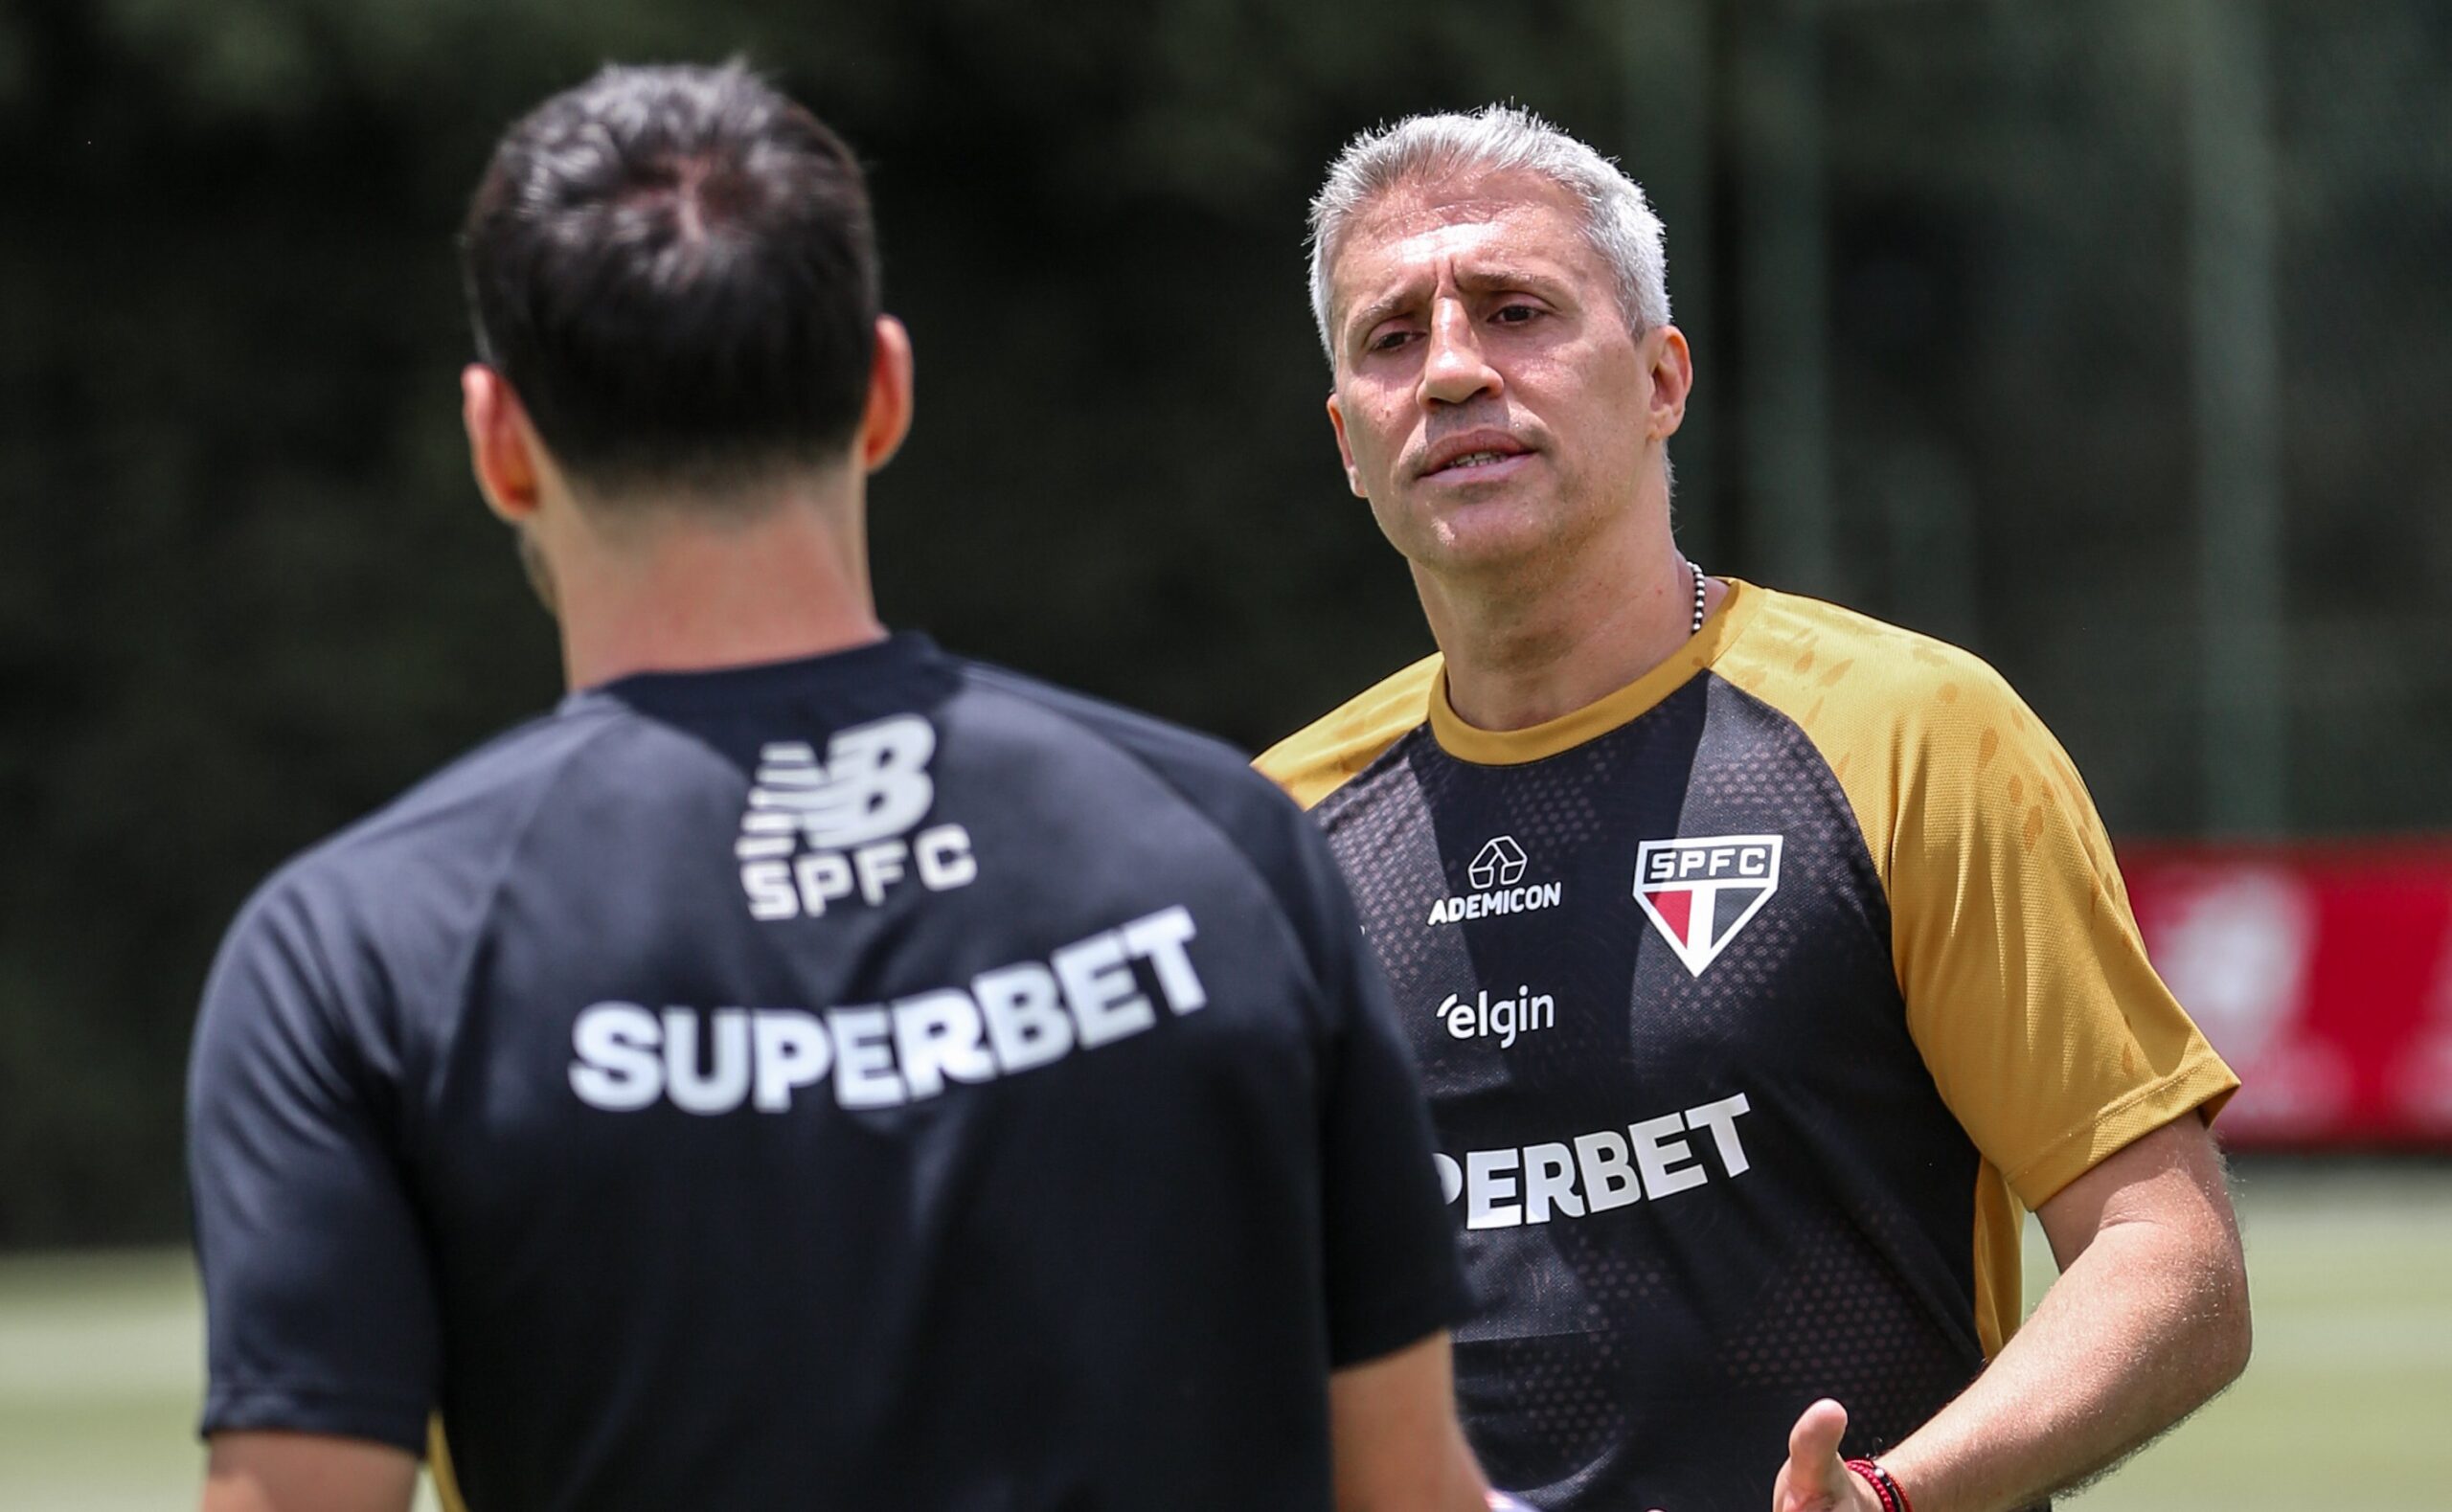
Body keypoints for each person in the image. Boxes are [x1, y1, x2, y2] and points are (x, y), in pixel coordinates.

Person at [187, 63, 1494, 1512]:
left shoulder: (362, 954)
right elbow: (1407, 1495)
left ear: (497, 442)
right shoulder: (1226, 847)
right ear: (884, 391)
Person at [1257, 105, 2252, 1512]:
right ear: (1350, 440)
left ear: (1662, 378)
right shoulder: (1271, 842)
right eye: (1392, 338)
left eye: (1518, 311)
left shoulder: (1910, 735)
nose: (1456, 369)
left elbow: (2170, 1260)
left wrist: (1895, 1498)